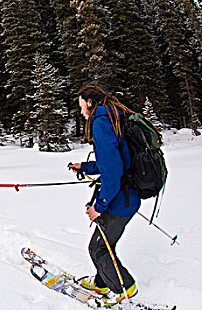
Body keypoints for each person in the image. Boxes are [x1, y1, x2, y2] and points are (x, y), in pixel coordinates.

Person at [69, 83, 140, 307]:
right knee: (105, 244)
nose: (81, 113)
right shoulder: (113, 115)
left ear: (90, 102)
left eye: (81, 106)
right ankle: (102, 283)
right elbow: (114, 159)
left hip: (120, 199)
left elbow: (113, 170)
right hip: (127, 194)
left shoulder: (100, 120)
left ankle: (125, 288)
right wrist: (86, 167)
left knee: (98, 248)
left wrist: (100, 205)